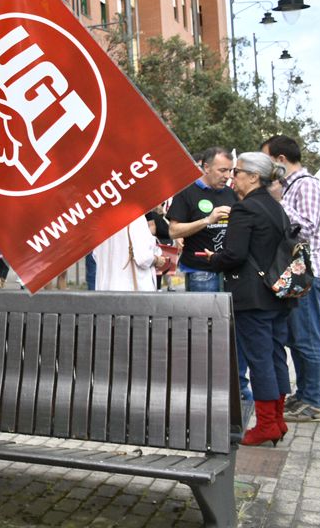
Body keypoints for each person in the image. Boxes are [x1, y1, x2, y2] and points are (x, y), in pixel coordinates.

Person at [191, 152, 292, 447]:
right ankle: (277, 419)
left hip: (252, 297)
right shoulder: (275, 207)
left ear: (254, 177)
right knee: (275, 357)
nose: (233, 176)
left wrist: (214, 258)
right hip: (276, 294)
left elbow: (234, 255)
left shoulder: (245, 209)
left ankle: (266, 425)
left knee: (259, 360)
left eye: (238, 171)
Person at [263, 135, 320, 422]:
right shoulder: (291, 188)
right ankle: (303, 395)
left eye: (267, 160)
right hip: (295, 275)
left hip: (308, 275)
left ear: (280, 160)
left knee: (307, 340)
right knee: (296, 339)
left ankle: (314, 403)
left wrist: (279, 203)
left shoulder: (308, 186)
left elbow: (307, 228)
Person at [168, 147, 236, 292]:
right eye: (222, 170)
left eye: (230, 170)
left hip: (228, 270)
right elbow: (173, 231)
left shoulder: (231, 193)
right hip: (201, 271)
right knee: (206, 315)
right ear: (206, 167)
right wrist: (207, 220)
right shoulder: (187, 192)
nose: (228, 176)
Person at [92, 216, 163, 291]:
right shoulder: (135, 218)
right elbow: (143, 258)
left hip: (104, 290)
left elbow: (96, 255)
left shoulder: (99, 223)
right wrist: (157, 259)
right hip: (130, 290)